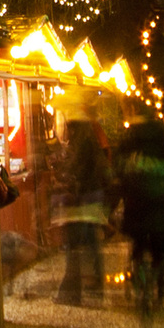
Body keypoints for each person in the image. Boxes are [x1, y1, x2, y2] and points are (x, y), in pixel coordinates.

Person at [115, 104, 164, 326]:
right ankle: (158, 291)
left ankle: (141, 288)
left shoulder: (129, 140)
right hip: (159, 209)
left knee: (139, 249)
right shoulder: (161, 140)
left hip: (136, 209)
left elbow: (119, 171)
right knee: (161, 253)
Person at [53, 116, 108, 306]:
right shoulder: (91, 136)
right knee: (92, 243)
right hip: (92, 195)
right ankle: (95, 285)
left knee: (74, 245)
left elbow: (77, 169)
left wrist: (63, 173)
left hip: (81, 198)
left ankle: (71, 291)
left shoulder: (81, 142)